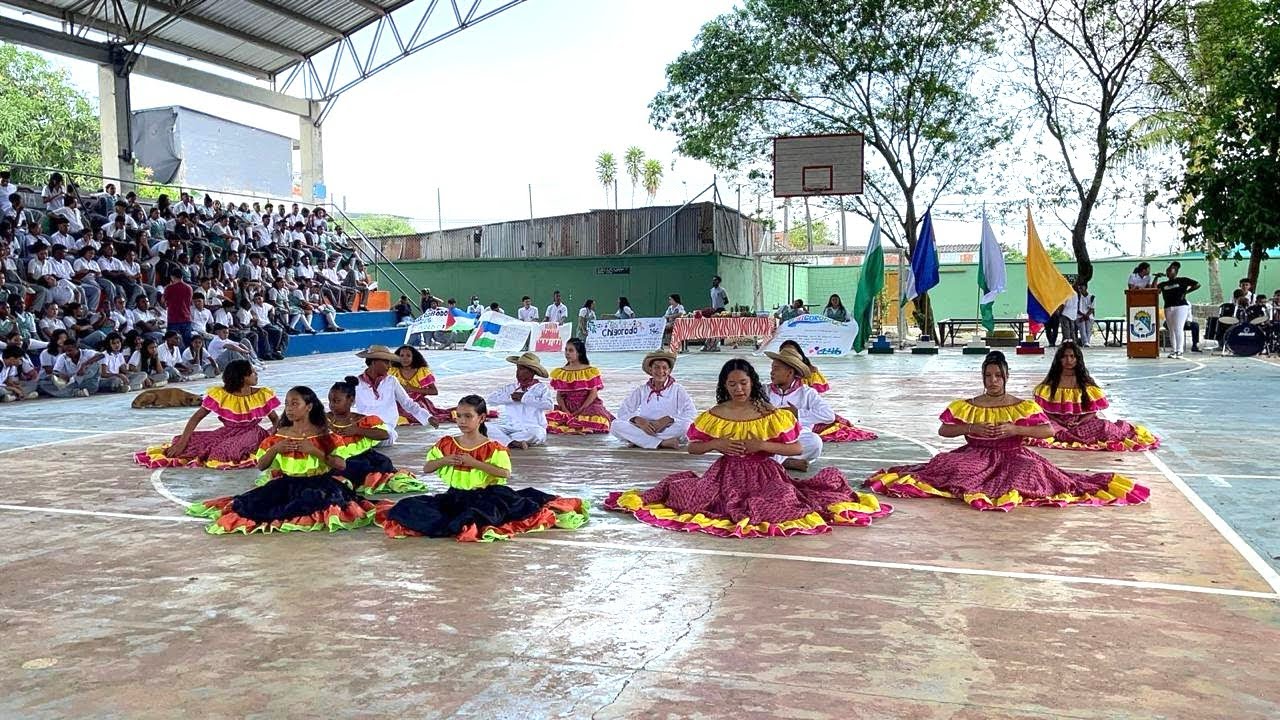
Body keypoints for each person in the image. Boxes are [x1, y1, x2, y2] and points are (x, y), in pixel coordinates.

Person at [605, 358, 891, 538]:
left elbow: (791, 447)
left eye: (743, 383)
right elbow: (693, 447)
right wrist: (717, 444)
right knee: (690, 499)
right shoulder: (716, 413)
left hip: (765, 473)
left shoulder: (770, 412)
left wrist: (763, 445)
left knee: (780, 504)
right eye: (732, 384)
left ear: (752, 383)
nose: (738, 389)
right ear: (725, 386)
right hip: (725, 475)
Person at [864, 351, 1150, 511]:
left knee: (1032, 474)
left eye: (998, 376)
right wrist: (970, 427)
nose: (993, 381)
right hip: (975, 453)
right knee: (950, 467)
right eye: (988, 376)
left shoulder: (1021, 406)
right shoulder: (968, 404)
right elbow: (944, 431)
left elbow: (1048, 430)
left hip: (1014, 454)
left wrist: (1014, 428)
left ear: (1006, 376)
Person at [374, 394, 588, 541]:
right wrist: (446, 460)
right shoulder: (447, 443)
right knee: (405, 507)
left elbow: (505, 473)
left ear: (482, 418)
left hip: (487, 496)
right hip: (454, 496)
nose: (462, 421)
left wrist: (474, 463)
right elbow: (427, 467)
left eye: (468, 416)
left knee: (473, 518)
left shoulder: (492, 447)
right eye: (459, 415)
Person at [185, 385, 376, 535]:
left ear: (308, 407)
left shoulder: (323, 434)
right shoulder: (280, 435)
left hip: (320, 484)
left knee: (313, 502)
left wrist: (314, 451)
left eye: (295, 404)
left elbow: (340, 465)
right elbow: (261, 466)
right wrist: (275, 449)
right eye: (287, 404)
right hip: (287, 483)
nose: (289, 409)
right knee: (254, 505)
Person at [134, 360, 280, 470]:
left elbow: (275, 420)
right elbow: (196, 418)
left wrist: (275, 438)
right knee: (188, 444)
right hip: (229, 432)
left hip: (253, 433)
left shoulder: (261, 394)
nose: (256, 374)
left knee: (224, 451)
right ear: (242, 377)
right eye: (253, 372)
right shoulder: (221, 395)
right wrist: (183, 442)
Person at [1030, 342, 1159, 451]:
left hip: (1082, 423)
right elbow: (1044, 411)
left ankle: (1070, 435)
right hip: (1056, 424)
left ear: (1077, 359)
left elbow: (1092, 411)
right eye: (1064, 357)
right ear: (1059, 359)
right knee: (1046, 429)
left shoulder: (1085, 382)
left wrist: (1078, 422)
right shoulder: (1051, 382)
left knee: (1104, 427)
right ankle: (1066, 434)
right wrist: (1060, 422)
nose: (1068, 360)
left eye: (1072, 356)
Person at [318, 377, 426, 494]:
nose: (332, 405)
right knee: (346, 467)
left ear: (351, 400)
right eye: (330, 401)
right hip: (337, 459)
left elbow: (384, 435)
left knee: (381, 463)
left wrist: (357, 430)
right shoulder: (324, 419)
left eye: (337, 401)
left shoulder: (361, 420)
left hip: (363, 456)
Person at [767, 345, 876, 452]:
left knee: (814, 442)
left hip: (796, 435)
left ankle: (779, 459)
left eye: (776, 369)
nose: (771, 372)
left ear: (790, 372)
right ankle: (786, 461)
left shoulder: (807, 393)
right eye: (772, 368)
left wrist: (798, 414)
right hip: (768, 434)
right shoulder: (764, 390)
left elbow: (829, 416)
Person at [611, 351, 696, 450]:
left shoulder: (677, 389)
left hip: (668, 427)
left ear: (669, 371)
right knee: (615, 425)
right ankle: (662, 443)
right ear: (650, 370)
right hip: (645, 428)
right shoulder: (642, 390)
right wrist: (638, 420)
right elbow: (623, 411)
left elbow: (691, 412)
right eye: (656, 367)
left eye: (664, 368)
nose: (660, 371)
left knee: (686, 427)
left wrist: (669, 419)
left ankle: (640, 441)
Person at [351, 344, 433, 443]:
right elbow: (345, 406)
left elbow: (407, 403)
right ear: (373, 362)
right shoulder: (356, 382)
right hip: (363, 426)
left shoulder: (391, 381)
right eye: (386, 362)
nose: (389, 366)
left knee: (382, 436)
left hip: (386, 429)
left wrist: (427, 417)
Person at [485, 352, 555, 449]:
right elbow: (491, 399)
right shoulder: (511, 388)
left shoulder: (541, 388)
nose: (518, 372)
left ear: (532, 372)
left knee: (539, 434)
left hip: (531, 427)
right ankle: (513, 442)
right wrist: (510, 398)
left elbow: (549, 405)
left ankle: (505, 441)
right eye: (517, 368)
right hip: (509, 426)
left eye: (522, 369)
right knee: (484, 427)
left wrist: (524, 398)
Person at [546, 338, 614, 434]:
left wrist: (581, 409)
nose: (567, 353)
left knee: (598, 420)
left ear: (579, 353)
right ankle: (573, 426)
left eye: (571, 350)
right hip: (567, 407)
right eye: (566, 350)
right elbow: (559, 396)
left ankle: (578, 425)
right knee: (549, 421)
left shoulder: (590, 371)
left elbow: (593, 393)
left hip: (587, 406)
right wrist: (565, 410)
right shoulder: (561, 372)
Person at [389, 344, 453, 426]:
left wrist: (412, 389)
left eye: (408, 356)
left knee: (417, 415)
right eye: (401, 355)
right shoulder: (393, 371)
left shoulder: (421, 371)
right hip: (399, 402)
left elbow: (434, 391)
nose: (404, 358)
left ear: (414, 358)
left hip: (417, 402)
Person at [1157, 261, 1200, 358]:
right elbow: (1155, 290)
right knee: (1171, 330)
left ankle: (1179, 351)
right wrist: (1156, 277)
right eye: (1167, 271)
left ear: (1175, 272)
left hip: (1180, 306)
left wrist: (1186, 292)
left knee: (1178, 328)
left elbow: (1197, 284)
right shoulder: (1163, 284)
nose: (1168, 272)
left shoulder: (1182, 280)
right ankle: (1174, 350)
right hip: (1168, 307)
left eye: (1170, 271)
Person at [704, 276, 728, 351]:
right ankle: (710, 344)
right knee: (713, 327)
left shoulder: (722, 290)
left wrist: (720, 304)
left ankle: (719, 343)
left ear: (719, 282)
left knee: (719, 327)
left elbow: (726, 301)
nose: (714, 282)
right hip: (714, 310)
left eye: (715, 280)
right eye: (713, 280)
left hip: (720, 310)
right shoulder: (711, 290)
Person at [1072, 281, 1096, 347]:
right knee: (1082, 330)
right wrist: (1083, 316)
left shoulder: (1092, 297)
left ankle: (1087, 342)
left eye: (1082, 287)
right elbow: (1077, 309)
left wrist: (1086, 316)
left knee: (1088, 330)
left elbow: (1092, 309)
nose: (1080, 289)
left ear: (1086, 287)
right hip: (1080, 316)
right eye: (1079, 288)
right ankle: (1085, 342)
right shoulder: (1077, 297)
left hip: (1089, 316)